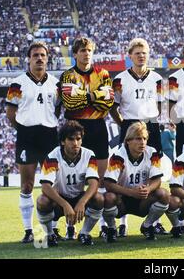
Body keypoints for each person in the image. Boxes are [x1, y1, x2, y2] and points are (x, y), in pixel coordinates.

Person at [110, 38, 167, 236]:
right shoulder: (119, 79)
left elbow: (160, 104)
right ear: (130, 56)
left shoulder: (157, 79)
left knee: (154, 170)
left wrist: (150, 119)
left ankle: (154, 222)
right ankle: (123, 223)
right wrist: (124, 125)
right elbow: (113, 106)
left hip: (150, 124)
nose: (141, 56)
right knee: (125, 169)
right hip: (129, 125)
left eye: (144, 52)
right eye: (137, 53)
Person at [59, 37, 114, 238]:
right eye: (82, 50)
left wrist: (82, 96)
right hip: (75, 127)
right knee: (72, 182)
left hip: (98, 127)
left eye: (89, 50)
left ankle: (99, 225)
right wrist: (94, 96)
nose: (86, 53)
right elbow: (70, 104)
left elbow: (107, 103)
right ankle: (70, 226)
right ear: (75, 54)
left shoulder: (104, 74)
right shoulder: (67, 76)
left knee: (98, 181)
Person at [6, 41, 60, 244]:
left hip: (49, 135)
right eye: (35, 55)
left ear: (47, 59)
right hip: (27, 136)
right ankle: (29, 230)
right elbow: (10, 115)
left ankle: (53, 229)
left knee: (53, 184)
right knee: (27, 184)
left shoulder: (55, 83)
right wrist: (24, 129)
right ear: (29, 58)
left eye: (42, 55)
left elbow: (57, 109)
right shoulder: (17, 83)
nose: (39, 58)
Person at [36, 121, 104, 246]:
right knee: (42, 201)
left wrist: (82, 202)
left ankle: (84, 233)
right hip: (59, 199)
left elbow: (94, 183)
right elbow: (45, 187)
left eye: (78, 139)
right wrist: (65, 204)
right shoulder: (53, 156)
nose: (75, 143)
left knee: (99, 198)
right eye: (71, 139)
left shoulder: (89, 155)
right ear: (63, 141)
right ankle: (50, 235)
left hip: (79, 197)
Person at [102, 122, 170, 242]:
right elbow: (108, 184)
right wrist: (131, 192)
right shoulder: (118, 156)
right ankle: (112, 228)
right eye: (138, 139)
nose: (142, 142)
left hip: (142, 199)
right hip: (121, 200)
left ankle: (147, 226)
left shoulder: (152, 152)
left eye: (144, 138)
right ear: (128, 140)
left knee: (163, 194)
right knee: (108, 197)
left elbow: (157, 180)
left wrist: (148, 189)